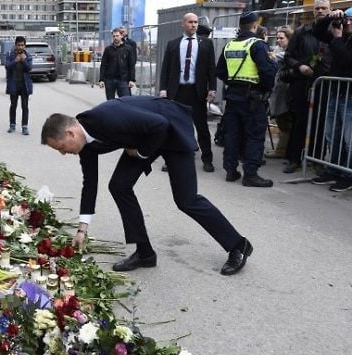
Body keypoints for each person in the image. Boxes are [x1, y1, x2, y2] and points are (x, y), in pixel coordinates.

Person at [40, 96, 253, 276]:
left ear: (70, 134)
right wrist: (82, 229)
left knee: (186, 200)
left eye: (60, 147)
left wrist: (142, 153)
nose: (62, 153)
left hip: (170, 131)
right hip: (144, 138)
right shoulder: (85, 146)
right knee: (119, 186)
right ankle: (145, 253)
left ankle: (238, 245)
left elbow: (160, 125)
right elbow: (90, 184)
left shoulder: (105, 117)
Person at [310, 6, 352, 192]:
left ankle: (348, 176)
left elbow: (347, 59)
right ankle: (333, 170)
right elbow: (317, 32)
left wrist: (338, 38)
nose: (346, 23)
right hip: (336, 93)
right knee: (333, 135)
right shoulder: (342, 36)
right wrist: (329, 18)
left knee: (350, 140)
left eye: (351, 20)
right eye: (345, 20)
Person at [216, 11, 277, 187]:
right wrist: (266, 89)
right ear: (255, 26)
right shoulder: (257, 45)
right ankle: (250, 174)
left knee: (232, 134)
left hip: (233, 96)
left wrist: (234, 82)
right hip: (253, 98)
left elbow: (220, 71)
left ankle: (230, 171)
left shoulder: (229, 46)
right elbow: (267, 72)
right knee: (254, 135)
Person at [159, 12, 217, 173]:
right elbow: (166, 69)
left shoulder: (205, 43)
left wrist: (212, 88)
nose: (194, 25)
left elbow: (211, 68)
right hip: (177, 92)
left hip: (196, 92)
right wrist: (163, 89)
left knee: (202, 127)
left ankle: (207, 159)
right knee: (175, 127)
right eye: (190, 22)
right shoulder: (173, 44)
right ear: (183, 24)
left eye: (196, 22)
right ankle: (171, 160)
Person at [283, 0, 331, 173]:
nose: (320, 11)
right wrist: (299, 66)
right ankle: (294, 159)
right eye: (317, 8)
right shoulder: (301, 32)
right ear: (313, 11)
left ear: (330, 10)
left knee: (320, 122)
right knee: (300, 122)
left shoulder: (335, 31)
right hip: (302, 84)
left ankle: (317, 160)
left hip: (326, 85)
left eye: (324, 8)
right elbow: (288, 56)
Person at [266, 26, 294, 160]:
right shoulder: (279, 50)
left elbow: (272, 57)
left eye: (281, 38)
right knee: (281, 120)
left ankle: (282, 150)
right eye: (277, 38)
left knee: (284, 121)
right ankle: (282, 149)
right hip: (278, 89)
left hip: (285, 90)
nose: (278, 41)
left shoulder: (289, 53)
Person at [5, 36, 33, 136]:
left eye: (22, 45)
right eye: (18, 45)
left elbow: (29, 68)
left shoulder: (28, 56)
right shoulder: (10, 54)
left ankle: (24, 126)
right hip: (14, 84)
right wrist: (15, 61)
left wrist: (24, 61)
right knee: (13, 105)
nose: (20, 47)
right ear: (15, 45)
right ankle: (12, 124)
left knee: (25, 106)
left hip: (25, 85)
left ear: (24, 46)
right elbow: (7, 66)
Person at [99, 27, 135, 100]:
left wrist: (132, 79)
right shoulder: (108, 49)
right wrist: (101, 79)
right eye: (114, 36)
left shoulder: (128, 49)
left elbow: (131, 65)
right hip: (110, 80)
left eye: (117, 36)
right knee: (110, 102)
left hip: (123, 80)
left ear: (121, 36)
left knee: (126, 100)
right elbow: (103, 65)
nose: (115, 38)